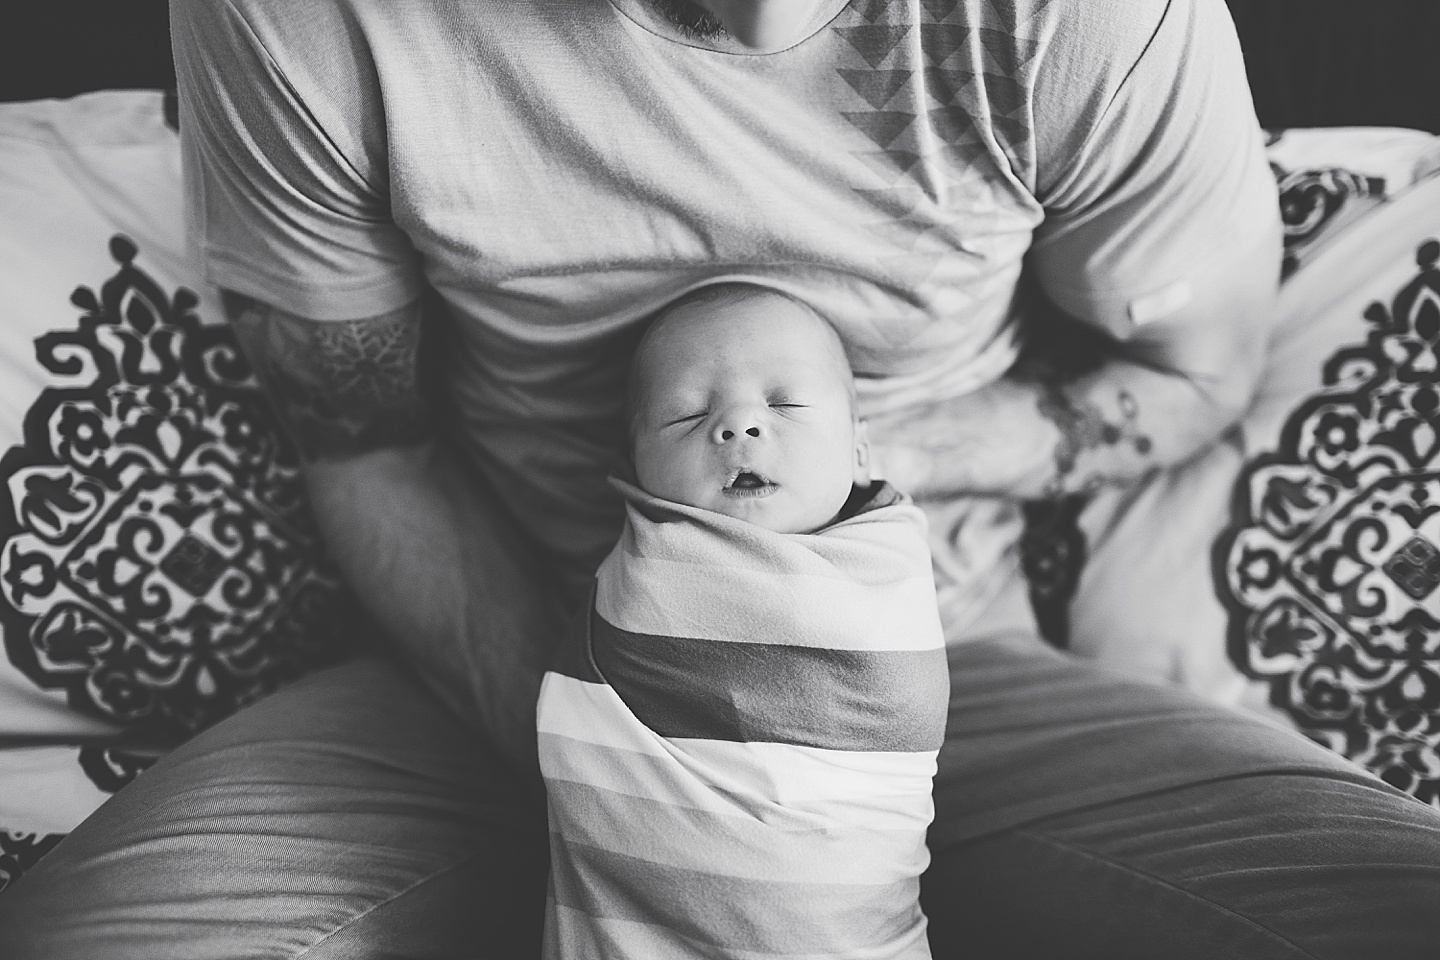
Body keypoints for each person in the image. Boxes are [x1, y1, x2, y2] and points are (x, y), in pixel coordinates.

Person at [4, 0, 1440, 957]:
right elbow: (361, 438)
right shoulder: (312, 19)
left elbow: (1189, 380)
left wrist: (864, 461)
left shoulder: (1079, 20)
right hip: (503, 650)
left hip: (939, 663)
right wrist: (630, 760)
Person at [538, 283, 947, 958]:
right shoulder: (650, 562)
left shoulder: (887, 564)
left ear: (859, 452)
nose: (737, 426)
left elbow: (898, 694)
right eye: (686, 415)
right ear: (635, 465)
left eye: (783, 403)